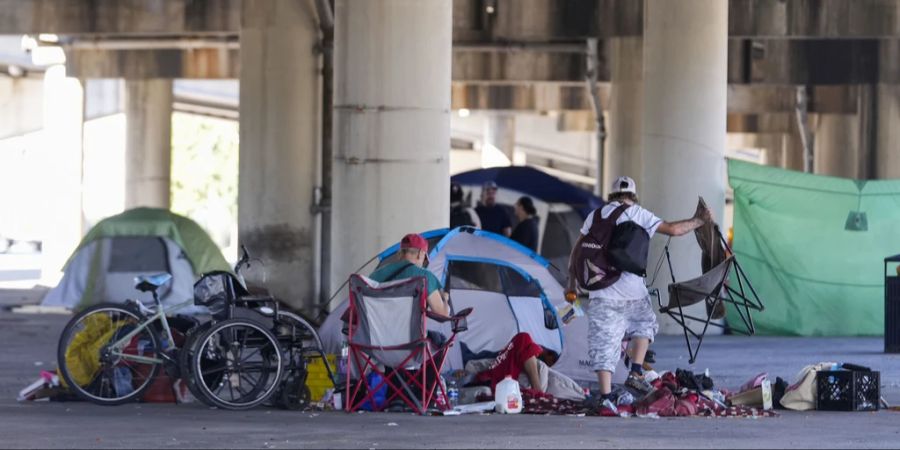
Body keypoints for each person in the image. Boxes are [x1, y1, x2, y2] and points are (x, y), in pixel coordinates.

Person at [566, 176, 712, 415]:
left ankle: (604, 397)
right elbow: (674, 230)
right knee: (644, 325)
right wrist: (699, 220)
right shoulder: (638, 213)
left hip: (602, 291)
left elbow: (577, 251)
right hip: (633, 292)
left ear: (611, 195)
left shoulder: (596, 216)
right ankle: (635, 372)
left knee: (604, 344)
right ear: (633, 195)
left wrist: (571, 283)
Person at [369, 233, 449, 316]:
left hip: (375, 327)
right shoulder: (425, 276)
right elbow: (443, 314)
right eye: (425, 258)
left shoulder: (377, 273)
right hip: (407, 328)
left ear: (401, 253)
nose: (423, 263)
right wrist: (445, 299)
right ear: (420, 253)